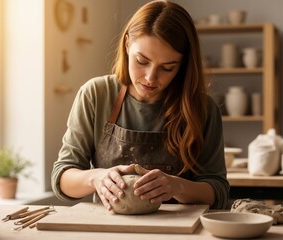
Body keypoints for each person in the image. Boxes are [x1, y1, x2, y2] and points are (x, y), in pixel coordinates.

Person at [51, 0, 230, 210]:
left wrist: (177, 187)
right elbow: (62, 177)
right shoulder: (95, 95)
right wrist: (96, 178)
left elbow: (218, 191)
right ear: (127, 45)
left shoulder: (203, 109)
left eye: (167, 68)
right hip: (110, 229)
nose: (150, 78)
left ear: (183, 65)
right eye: (142, 61)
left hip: (179, 231)